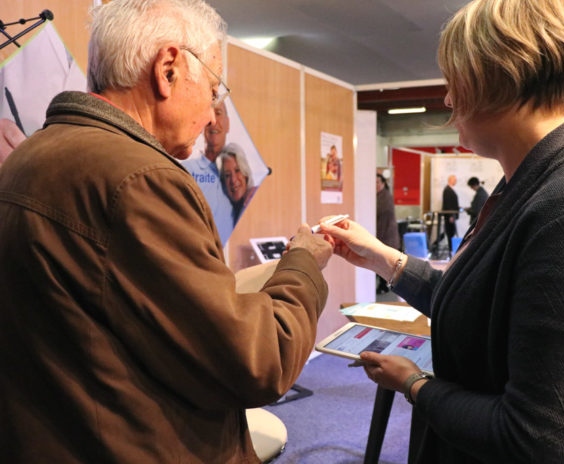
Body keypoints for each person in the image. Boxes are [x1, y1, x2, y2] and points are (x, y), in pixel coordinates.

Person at [0, 1, 333, 463]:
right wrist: (303, 262)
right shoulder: (141, 179)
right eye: (215, 91)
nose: (215, 117)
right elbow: (259, 363)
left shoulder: (27, 155)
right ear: (169, 69)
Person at [321, 0, 564, 462]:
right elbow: (482, 307)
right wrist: (382, 257)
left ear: (493, 77)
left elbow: (540, 439)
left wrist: (414, 384)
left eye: (455, 80)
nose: (449, 99)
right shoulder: (536, 181)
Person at [181, 99, 234, 243]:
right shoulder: (185, 168)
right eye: (209, 113)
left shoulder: (237, 175)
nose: (213, 121)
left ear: (228, 123)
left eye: (218, 113)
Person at [220, 143, 257, 226]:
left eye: (237, 170)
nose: (233, 180)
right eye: (227, 175)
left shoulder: (257, 198)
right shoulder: (221, 215)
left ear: (246, 174)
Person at [376, 173, 399, 294]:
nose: (376, 185)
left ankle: (385, 285)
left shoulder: (385, 197)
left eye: (378, 182)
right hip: (383, 235)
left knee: (384, 261)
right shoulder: (378, 196)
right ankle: (383, 285)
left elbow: (383, 218)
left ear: (383, 184)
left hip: (386, 235)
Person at [441, 174, 459, 251]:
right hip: (450, 216)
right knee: (450, 232)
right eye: (455, 180)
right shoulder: (447, 190)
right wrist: (450, 216)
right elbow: (448, 204)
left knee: (451, 232)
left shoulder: (449, 189)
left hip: (452, 215)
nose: (456, 181)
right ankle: (451, 250)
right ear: (451, 180)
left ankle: (451, 249)